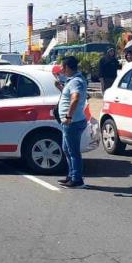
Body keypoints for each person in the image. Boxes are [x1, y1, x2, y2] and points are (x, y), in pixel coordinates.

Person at [57, 56, 88, 189]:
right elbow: (70, 96)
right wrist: (61, 88)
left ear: (68, 67)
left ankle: (77, 180)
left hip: (73, 122)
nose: (61, 70)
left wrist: (68, 116)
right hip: (70, 122)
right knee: (67, 149)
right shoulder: (73, 81)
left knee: (73, 151)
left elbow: (75, 99)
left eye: (63, 67)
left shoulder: (76, 82)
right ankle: (71, 175)